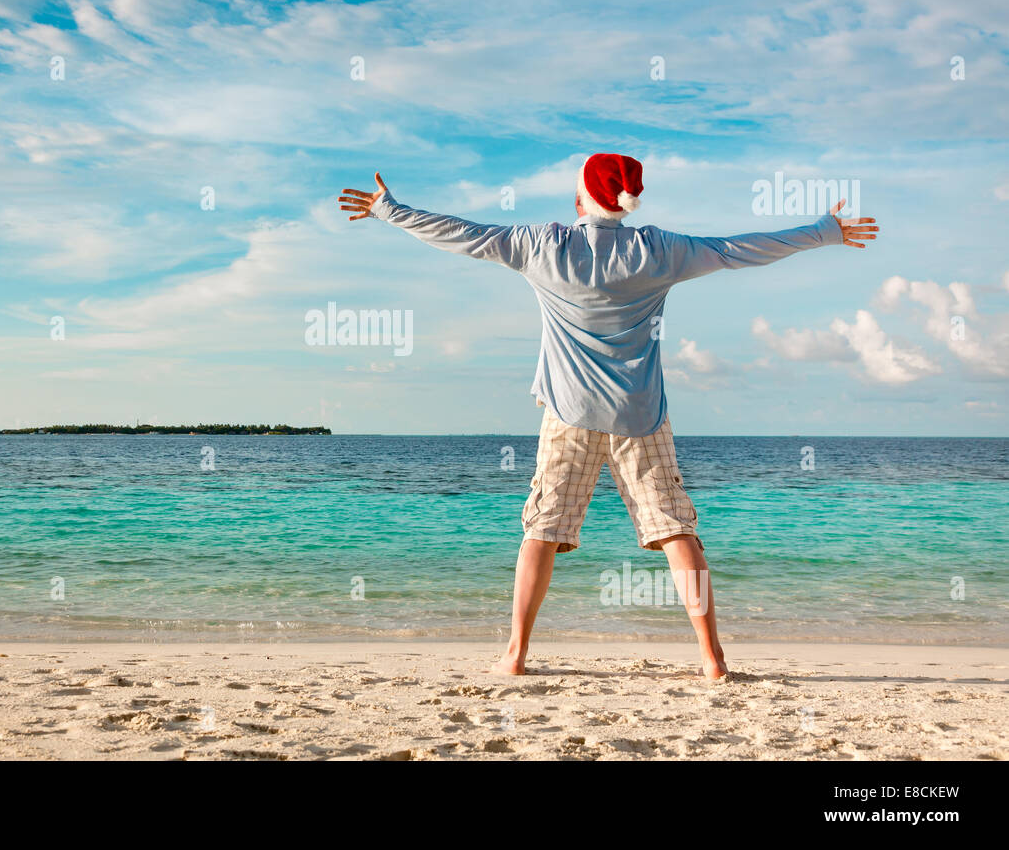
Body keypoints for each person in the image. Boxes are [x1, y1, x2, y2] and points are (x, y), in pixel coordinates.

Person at [338, 155, 879, 678]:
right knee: (676, 533)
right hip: (641, 415)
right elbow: (740, 249)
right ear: (628, 203)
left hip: (568, 415)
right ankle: (713, 659)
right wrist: (824, 231)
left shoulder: (543, 245)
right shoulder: (661, 249)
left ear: (581, 195)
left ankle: (515, 654)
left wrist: (390, 210)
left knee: (542, 531)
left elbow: (463, 234)